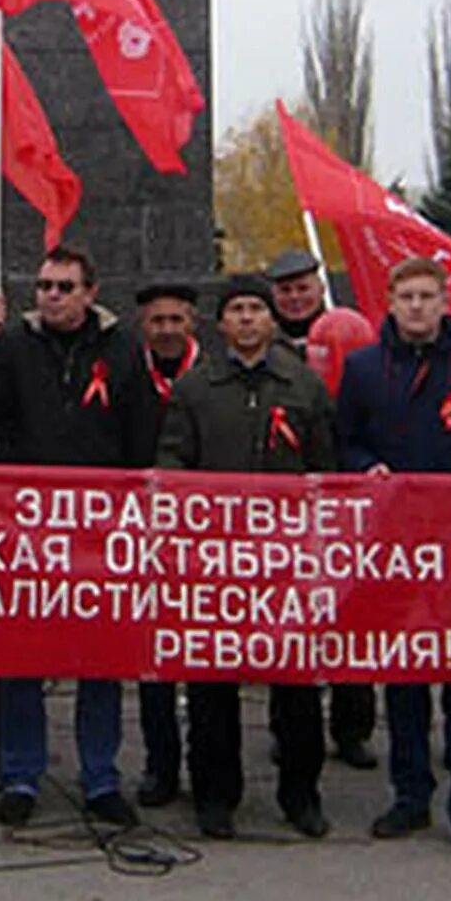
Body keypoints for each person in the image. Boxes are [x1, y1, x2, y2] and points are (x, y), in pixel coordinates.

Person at [336, 257, 451, 858]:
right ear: (388, 301)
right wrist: (367, 469)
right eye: (406, 296)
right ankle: (410, 794)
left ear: (444, 302)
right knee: (404, 678)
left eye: (426, 296)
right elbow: (346, 440)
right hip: (394, 548)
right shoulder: (363, 369)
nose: (416, 306)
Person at [157, 277, 337, 840]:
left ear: (272, 319)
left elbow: (327, 471)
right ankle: (215, 795)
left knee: (297, 684)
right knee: (211, 684)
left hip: (288, 560)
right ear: (221, 323)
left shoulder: (303, 386)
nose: (247, 319)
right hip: (215, 560)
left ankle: (301, 794)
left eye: (256, 309)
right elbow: (172, 462)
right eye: (236, 310)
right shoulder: (196, 388)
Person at [0, 244, 144, 830]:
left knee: (99, 659)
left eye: (64, 286)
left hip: (100, 530)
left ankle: (100, 778)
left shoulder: (123, 349)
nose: (51, 295)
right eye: (44, 285)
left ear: (90, 293)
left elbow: (141, 431)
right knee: (23, 656)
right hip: (26, 527)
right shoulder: (15, 346)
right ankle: (22, 773)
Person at [268, 248, 377, 769]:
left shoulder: (353, 336)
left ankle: (352, 727)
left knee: (351, 615)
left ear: (317, 286)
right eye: (284, 289)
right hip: (286, 504)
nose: (294, 296)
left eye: (301, 286)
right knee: (288, 620)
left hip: (346, 498)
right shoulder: (264, 348)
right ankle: (288, 725)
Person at [130, 280, 201, 809]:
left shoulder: (214, 376)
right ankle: (161, 765)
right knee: (152, 659)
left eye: (176, 320)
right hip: (140, 535)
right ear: (144, 327)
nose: (168, 330)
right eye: (158, 321)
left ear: (193, 324)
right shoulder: (128, 376)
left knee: (203, 660)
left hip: (205, 538)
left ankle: (208, 767)